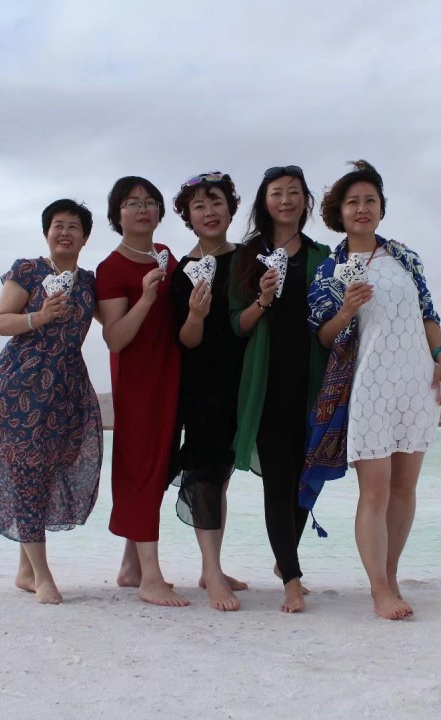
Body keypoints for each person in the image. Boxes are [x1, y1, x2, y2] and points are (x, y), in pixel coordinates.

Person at [305, 160, 441, 619]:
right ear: (339, 213)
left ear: (382, 209)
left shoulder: (406, 258)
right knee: (375, 491)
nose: (362, 208)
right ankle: (378, 590)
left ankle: (391, 575)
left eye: (370, 200)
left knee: (405, 488)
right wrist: (346, 310)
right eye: (353, 202)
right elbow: (323, 336)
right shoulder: (331, 269)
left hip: (416, 382)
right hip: (369, 386)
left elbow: (428, 312)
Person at [0, 199, 103, 605]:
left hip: (67, 389)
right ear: (46, 233)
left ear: (85, 237)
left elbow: (114, 321)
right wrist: (39, 317)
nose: (64, 232)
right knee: (27, 474)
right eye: (57, 225)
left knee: (44, 476)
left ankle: (25, 571)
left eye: (73, 226)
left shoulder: (89, 283)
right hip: (21, 387)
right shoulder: (27, 271)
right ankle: (43, 576)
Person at [228, 165, 330, 613]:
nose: (286, 200)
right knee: (278, 481)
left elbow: (331, 320)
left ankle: (284, 558)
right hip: (266, 385)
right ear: (264, 201)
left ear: (306, 200)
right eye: (276, 192)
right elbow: (237, 324)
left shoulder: (322, 255)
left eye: (294, 192)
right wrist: (263, 299)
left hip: (313, 383)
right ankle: (291, 577)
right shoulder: (247, 256)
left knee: (308, 479)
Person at [96, 176, 188, 607]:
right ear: (117, 215)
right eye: (132, 203)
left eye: (150, 201)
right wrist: (147, 298)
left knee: (159, 466)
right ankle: (151, 578)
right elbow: (114, 338)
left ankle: (131, 566)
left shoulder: (166, 255)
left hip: (172, 373)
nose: (143, 209)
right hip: (137, 382)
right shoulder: (111, 268)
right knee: (140, 466)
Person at [169, 171, 248, 611]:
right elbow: (186, 340)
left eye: (216, 202)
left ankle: (210, 568)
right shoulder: (182, 272)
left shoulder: (249, 259)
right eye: (198, 206)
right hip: (203, 385)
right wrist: (196, 315)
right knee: (206, 475)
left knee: (223, 477)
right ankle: (213, 572)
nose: (209, 212)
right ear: (188, 217)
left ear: (230, 209)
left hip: (245, 379)